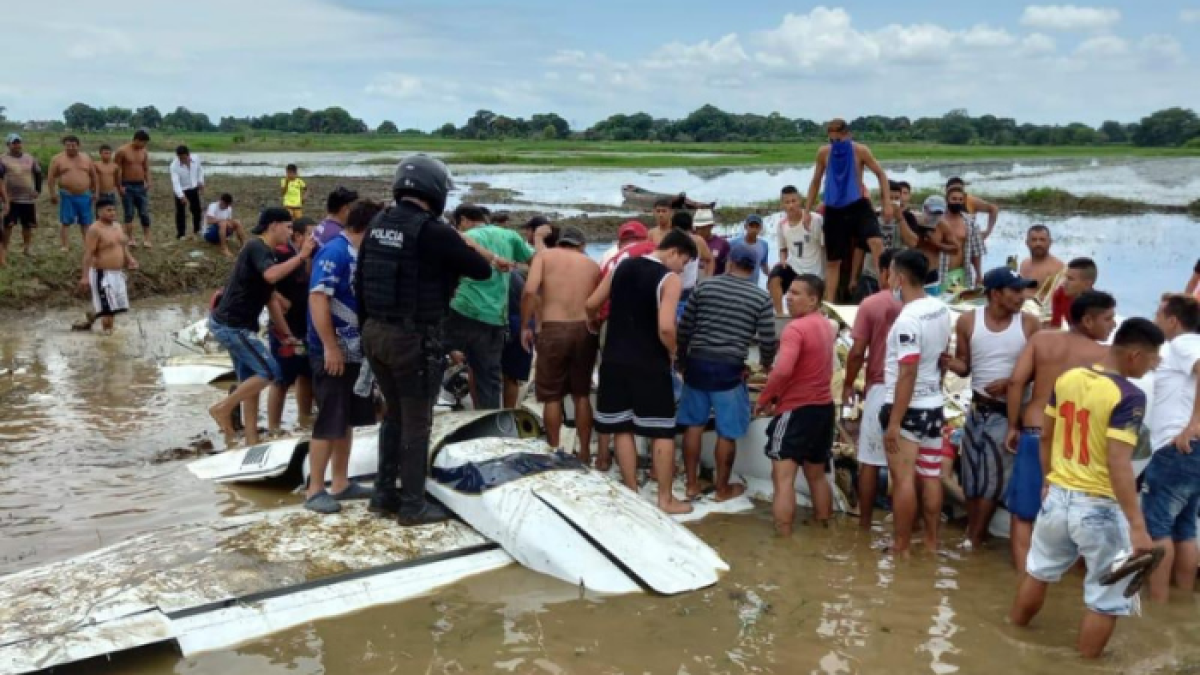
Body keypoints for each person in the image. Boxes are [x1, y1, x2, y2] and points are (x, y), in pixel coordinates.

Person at [1009, 318, 1164, 660]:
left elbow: (1046, 435)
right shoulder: (1129, 396)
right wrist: (1138, 527)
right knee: (1107, 598)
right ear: (1135, 355)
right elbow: (1118, 463)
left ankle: (1012, 637)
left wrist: (1049, 479)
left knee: (1038, 571)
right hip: (1099, 506)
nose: (1154, 366)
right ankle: (1083, 665)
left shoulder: (1069, 378)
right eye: (1153, 359)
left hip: (1058, 496)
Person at [357, 155, 492, 524]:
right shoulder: (433, 231)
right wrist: (465, 243)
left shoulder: (378, 223)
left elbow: (360, 283)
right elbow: (481, 271)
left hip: (375, 334)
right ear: (434, 191)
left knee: (393, 415)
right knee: (417, 422)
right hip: (412, 338)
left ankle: (384, 493)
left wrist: (368, 330)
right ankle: (413, 505)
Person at [1005, 291, 1117, 573]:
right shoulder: (1105, 355)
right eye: (1108, 318)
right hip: (1075, 442)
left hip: (1034, 429)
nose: (1113, 324)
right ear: (1088, 320)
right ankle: (1066, 584)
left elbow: (1016, 382)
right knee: (1076, 514)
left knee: (1023, 515)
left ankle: (1024, 578)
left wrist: (1011, 424)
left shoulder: (1042, 339)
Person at [587, 229, 697, 515]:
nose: (683, 270)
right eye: (684, 262)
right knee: (661, 429)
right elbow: (665, 327)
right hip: (649, 362)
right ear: (673, 252)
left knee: (622, 426)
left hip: (613, 359)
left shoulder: (621, 267)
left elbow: (591, 304)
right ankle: (665, 499)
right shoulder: (668, 279)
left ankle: (632, 492)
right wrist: (674, 352)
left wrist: (593, 326)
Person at [943, 268, 1040, 549]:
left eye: (1023, 291)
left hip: (1007, 413)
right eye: (1016, 291)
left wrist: (1012, 382)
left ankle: (973, 537)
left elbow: (1040, 369)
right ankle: (977, 536)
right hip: (977, 408)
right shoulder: (968, 321)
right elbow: (965, 367)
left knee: (992, 478)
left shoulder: (1029, 324)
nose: (1022, 297)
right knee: (973, 478)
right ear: (996, 294)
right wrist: (948, 363)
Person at [207, 208, 316, 449]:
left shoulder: (269, 254)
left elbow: (270, 299)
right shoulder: (256, 247)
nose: (290, 232)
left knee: (250, 382)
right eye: (288, 226)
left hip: (239, 326)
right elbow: (270, 276)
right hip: (232, 326)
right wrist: (301, 256)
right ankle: (223, 409)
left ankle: (251, 438)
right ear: (273, 225)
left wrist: (286, 334)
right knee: (269, 372)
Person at [679, 242, 778, 501]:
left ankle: (691, 485)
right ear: (754, 267)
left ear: (730, 263)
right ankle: (722, 489)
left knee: (693, 425)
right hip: (729, 369)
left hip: (697, 363)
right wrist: (767, 365)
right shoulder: (761, 297)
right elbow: (768, 339)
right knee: (727, 432)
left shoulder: (706, 286)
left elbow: (685, 327)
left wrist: (681, 360)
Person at [303, 201, 383, 513]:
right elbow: (318, 298)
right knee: (329, 418)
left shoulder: (356, 253)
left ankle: (340, 482)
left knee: (346, 419)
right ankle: (314, 489)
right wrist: (330, 347)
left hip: (353, 351)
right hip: (333, 350)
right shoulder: (335, 252)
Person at [879, 250, 953, 555]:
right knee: (931, 475)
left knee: (903, 479)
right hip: (934, 406)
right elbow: (943, 355)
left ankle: (902, 545)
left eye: (891, 273)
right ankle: (932, 541)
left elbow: (907, 371)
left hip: (909, 408)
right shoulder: (940, 308)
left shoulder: (907, 320)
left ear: (900, 278)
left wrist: (894, 422)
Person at [755, 274, 836, 533]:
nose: (788, 297)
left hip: (797, 411)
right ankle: (823, 526)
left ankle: (784, 536)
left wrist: (765, 398)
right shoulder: (826, 324)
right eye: (788, 292)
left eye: (796, 293)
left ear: (813, 300)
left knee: (782, 479)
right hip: (823, 410)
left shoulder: (795, 329)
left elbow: (782, 371)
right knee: (816, 474)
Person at [445, 203, 537, 410]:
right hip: (495, 317)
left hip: (461, 310)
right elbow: (537, 261)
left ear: (464, 221)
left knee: (431, 360)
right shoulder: (510, 236)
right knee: (489, 378)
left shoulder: (463, 236)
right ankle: (490, 426)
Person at [521, 226, 601, 457]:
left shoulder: (544, 257)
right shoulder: (592, 265)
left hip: (553, 328)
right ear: (582, 246)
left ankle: (555, 450)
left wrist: (526, 325)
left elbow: (529, 291)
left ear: (561, 243)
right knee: (582, 394)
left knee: (551, 395)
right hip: (584, 330)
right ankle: (585, 452)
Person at [1141, 294, 1200, 602]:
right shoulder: (1177, 350)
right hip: (1192, 453)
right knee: (1185, 529)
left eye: (1158, 314)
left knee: (1158, 529)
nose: (1155, 319)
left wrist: (1194, 423)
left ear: (1173, 321)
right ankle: (1184, 600)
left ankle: (1159, 602)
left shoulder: (1183, 344)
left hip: (1176, 448)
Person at [842, 249, 902, 529]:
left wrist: (847, 384)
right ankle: (907, 531)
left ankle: (865, 526)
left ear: (885, 272)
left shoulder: (872, 304)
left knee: (870, 461)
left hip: (880, 388)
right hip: (915, 391)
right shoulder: (926, 306)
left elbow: (856, 353)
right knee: (907, 465)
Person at [804, 119, 891, 302]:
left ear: (848, 135)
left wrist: (887, 204)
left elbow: (881, 174)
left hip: (858, 204)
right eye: (832, 140)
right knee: (833, 261)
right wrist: (807, 210)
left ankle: (886, 291)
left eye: (839, 140)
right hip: (834, 209)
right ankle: (829, 302)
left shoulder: (859, 150)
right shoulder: (824, 153)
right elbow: (816, 181)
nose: (836, 144)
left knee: (876, 242)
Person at [266, 216, 317, 436]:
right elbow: (264, 282)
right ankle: (273, 428)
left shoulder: (308, 256)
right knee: (282, 378)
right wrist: (277, 297)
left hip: (304, 327)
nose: (314, 238)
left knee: (306, 374)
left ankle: (304, 419)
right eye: (310, 234)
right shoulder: (281, 254)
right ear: (297, 236)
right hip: (284, 329)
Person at [75, 198, 137, 334]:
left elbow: (122, 246)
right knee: (108, 310)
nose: (112, 213)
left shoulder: (117, 226)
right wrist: (85, 276)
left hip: (117, 273)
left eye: (114, 210)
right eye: (108, 210)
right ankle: (107, 339)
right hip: (102, 274)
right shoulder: (94, 229)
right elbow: (88, 254)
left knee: (113, 308)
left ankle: (92, 317)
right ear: (99, 212)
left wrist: (130, 260)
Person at [769, 186, 825, 313]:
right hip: (795, 268)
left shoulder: (815, 219)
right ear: (782, 204)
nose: (791, 206)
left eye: (794, 201)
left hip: (814, 271)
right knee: (775, 276)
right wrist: (783, 260)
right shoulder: (781, 225)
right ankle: (780, 314)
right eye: (787, 202)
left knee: (808, 304)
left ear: (800, 201)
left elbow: (825, 246)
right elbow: (783, 248)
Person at [47, 135, 98, 251]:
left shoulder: (86, 158)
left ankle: (88, 245)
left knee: (86, 222)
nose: (70, 148)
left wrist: (95, 191)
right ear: (64, 146)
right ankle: (65, 245)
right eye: (68, 146)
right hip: (67, 195)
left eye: (73, 145)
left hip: (85, 195)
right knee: (66, 221)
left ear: (78, 145)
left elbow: (94, 177)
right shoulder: (57, 159)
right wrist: (52, 194)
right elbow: (51, 179)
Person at [937, 185, 985, 294]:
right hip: (939, 273)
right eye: (954, 199)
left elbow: (976, 251)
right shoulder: (937, 220)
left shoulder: (969, 222)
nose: (957, 202)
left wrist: (978, 274)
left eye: (960, 199)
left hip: (960, 273)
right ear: (947, 200)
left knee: (960, 305)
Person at [0, 133, 39, 264]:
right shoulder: (2, 159)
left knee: (27, 225)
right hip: (11, 199)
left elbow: (38, 173)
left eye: (18, 142)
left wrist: (38, 190)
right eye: (14, 143)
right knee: (8, 225)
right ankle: (4, 249)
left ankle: (27, 248)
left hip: (27, 198)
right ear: (8, 145)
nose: (17, 145)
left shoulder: (29, 158)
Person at [668, 210, 713, 321]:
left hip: (689, 291)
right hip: (670, 289)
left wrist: (707, 280)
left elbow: (709, 259)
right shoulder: (668, 241)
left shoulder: (697, 241)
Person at [115, 129, 152, 248]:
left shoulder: (144, 152)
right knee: (129, 213)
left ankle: (147, 238)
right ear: (136, 140)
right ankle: (131, 238)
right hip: (127, 185)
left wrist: (148, 181)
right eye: (143, 143)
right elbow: (117, 169)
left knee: (144, 213)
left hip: (141, 185)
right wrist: (119, 186)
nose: (144, 146)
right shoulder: (122, 151)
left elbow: (146, 168)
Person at [502, 269, 533, 408]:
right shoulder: (522, 273)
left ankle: (484, 416)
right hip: (519, 322)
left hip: (504, 320)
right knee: (512, 376)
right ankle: (508, 414)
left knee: (481, 372)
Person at [1048, 257, 1098, 329]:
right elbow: (1055, 326)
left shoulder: (1098, 307)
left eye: (1070, 279)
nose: (1064, 283)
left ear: (1087, 284)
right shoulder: (1060, 294)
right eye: (1065, 277)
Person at [945, 176, 1000, 241]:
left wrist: (988, 231)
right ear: (947, 192)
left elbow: (993, 208)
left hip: (969, 240)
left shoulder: (970, 201)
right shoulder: (941, 204)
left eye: (960, 190)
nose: (957, 193)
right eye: (953, 190)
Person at [169, 146, 205, 240]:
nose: (182, 160)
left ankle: (197, 230)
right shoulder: (174, 166)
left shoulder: (196, 158)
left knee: (196, 210)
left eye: (184, 158)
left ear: (188, 155)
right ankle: (181, 234)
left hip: (193, 188)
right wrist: (181, 196)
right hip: (181, 189)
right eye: (180, 158)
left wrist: (200, 181)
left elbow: (200, 170)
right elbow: (175, 182)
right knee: (180, 212)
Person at [1018, 225, 1064, 291]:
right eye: (1034, 240)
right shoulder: (1024, 264)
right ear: (1027, 243)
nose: (1038, 243)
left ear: (1050, 242)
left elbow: (1059, 297)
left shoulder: (1058, 268)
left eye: (1042, 240)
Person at [731, 214, 770, 286]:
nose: (754, 230)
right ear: (745, 227)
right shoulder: (733, 244)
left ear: (760, 228)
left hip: (753, 285)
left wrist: (772, 276)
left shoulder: (764, 245)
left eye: (757, 227)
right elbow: (728, 264)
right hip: (734, 284)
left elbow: (764, 265)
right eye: (751, 226)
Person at [203, 193, 245, 257]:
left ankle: (243, 245)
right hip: (209, 233)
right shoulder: (213, 206)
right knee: (222, 223)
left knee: (237, 222)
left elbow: (229, 220)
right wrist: (222, 221)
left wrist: (230, 224)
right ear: (221, 202)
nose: (227, 207)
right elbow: (209, 221)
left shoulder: (229, 208)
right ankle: (224, 248)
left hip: (222, 231)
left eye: (228, 205)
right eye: (226, 205)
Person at [693, 209, 729, 276]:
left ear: (711, 226)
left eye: (703, 228)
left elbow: (727, 268)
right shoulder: (691, 242)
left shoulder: (722, 244)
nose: (699, 231)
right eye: (697, 228)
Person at [94, 145, 120, 216]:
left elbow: (117, 181)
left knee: (112, 214)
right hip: (100, 194)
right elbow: (94, 180)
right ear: (100, 154)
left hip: (111, 194)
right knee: (99, 214)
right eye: (105, 153)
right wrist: (95, 193)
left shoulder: (115, 166)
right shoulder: (96, 165)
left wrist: (119, 192)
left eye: (109, 153)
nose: (107, 155)